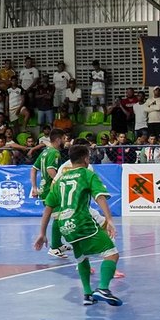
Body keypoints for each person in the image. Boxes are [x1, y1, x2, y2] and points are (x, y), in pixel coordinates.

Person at [33, 144, 122, 306]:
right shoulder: (87, 174)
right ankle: (103, 288)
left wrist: (42, 232)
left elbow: (48, 207)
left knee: (81, 258)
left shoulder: (60, 181)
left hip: (65, 226)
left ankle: (87, 294)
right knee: (112, 253)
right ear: (86, 158)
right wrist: (109, 219)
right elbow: (100, 196)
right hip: (82, 221)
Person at [30, 129, 70, 258]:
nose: (65, 141)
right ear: (58, 140)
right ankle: (54, 248)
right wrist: (62, 183)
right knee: (59, 217)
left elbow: (33, 169)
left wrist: (34, 187)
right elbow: (51, 170)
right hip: (50, 190)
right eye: (64, 138)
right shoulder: (54, 152)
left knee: (59, 216)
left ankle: (58, 244)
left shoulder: (45, 151)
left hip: (44, 189)